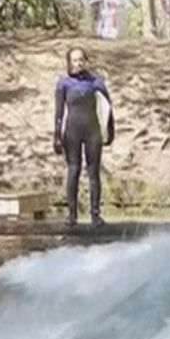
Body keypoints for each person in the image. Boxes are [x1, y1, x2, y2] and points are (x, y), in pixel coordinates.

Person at [54, 46, 114, 229]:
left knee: (93, 172)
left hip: (92, 132)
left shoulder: (96, 82)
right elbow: (59, 112)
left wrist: (111, 130)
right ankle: (72, 215)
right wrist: (56, 136)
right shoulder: (64, 84)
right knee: (74, 170)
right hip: (72, 132)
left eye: (81, 60)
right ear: (69, 63)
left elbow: (108, 108)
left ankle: (95, 214)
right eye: (75, 60)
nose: (78, 63)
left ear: (86, 61)